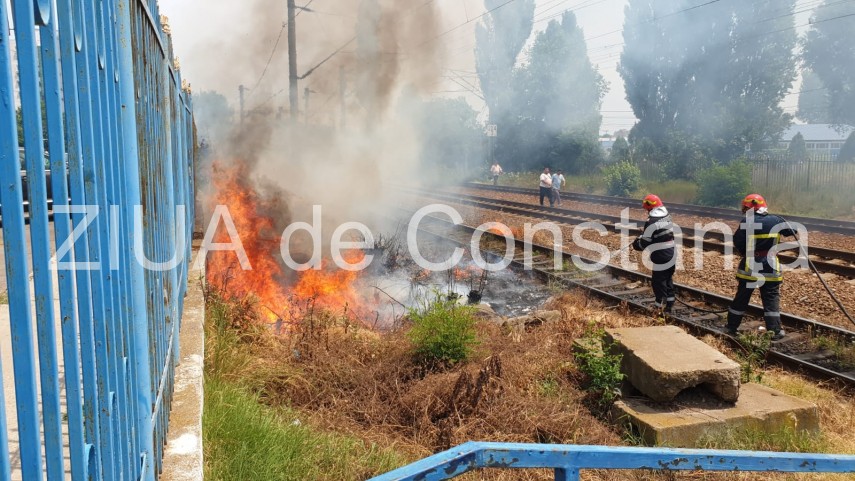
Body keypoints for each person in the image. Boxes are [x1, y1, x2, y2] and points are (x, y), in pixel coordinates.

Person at [725, 194, 797, 340]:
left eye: (745, 208)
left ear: (749, 208)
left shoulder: (747, 221)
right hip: (770, 265)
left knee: (742, 298)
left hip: (750, 266)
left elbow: (738, 241)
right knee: (770, 298)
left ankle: (731, 327)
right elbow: (792, 231)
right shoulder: (776, 220)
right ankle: (775, 331)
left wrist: (745, 253)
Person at [632, 194, 676, 314]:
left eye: (647, 209)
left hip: (660, 255)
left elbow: (644, 243)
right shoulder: (667, 216)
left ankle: (659, 306)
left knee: (658, 281)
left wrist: (636, 243)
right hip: (672, 253)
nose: (647, 211)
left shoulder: (651, 221)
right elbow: (660, 233)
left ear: (650, 208)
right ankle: (670, 304)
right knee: (668, 279)